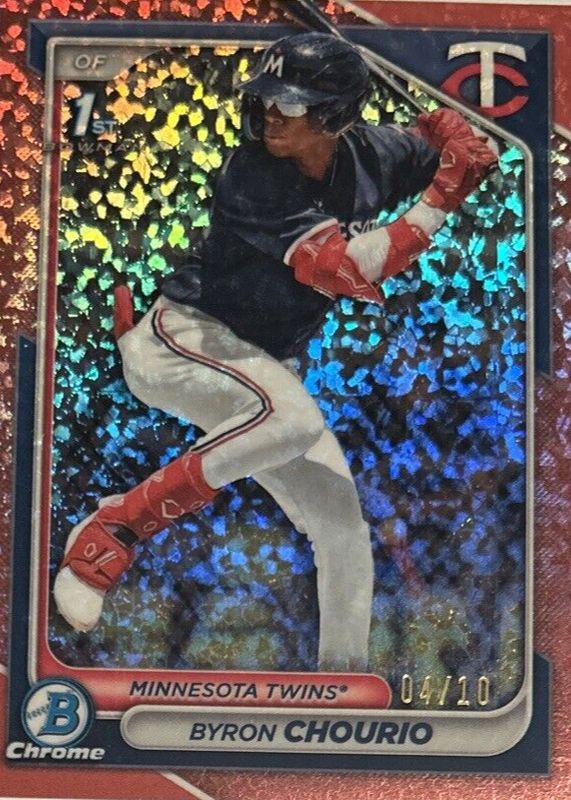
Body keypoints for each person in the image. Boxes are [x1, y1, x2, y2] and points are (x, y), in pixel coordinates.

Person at [54, 32, 497, 672]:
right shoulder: (252, 175)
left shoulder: (377, 152)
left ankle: (341, 683)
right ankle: (113, 530)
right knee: (293, 419)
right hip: (183, 340)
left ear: (335, 116)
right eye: (265, 100)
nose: (270, 116)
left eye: (289, 104)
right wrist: (440, 201)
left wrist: (455, 135)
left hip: (258, 365)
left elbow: (456, 151)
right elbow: (345, 269)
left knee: (342, 529)